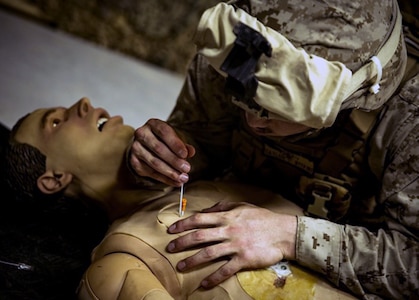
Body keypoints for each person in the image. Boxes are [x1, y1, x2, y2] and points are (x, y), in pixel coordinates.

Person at [126, 0, 419, 299]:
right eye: (240, 90)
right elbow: (204, 141)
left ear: (354, 94)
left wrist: (293, 237)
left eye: (281, 109)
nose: (253, 120)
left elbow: (413, 265)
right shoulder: (241, 45)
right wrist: (165, 156)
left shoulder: (409, 113)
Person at [3, 97, 358, 299]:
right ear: (53, 180)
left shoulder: (228, 174)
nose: (81, 103)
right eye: (56, 121)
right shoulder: (120, 263)